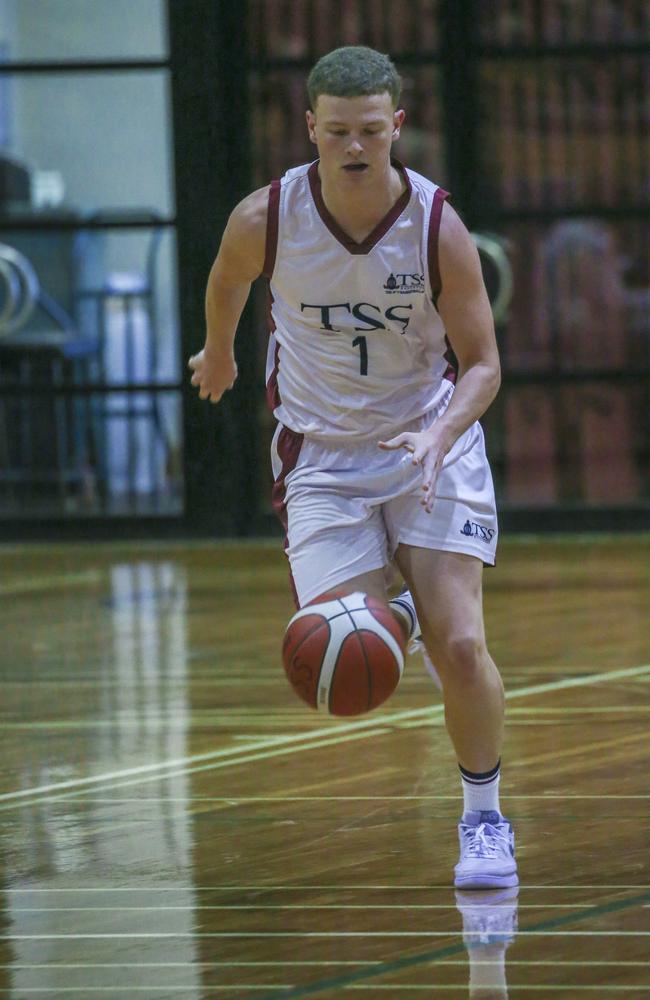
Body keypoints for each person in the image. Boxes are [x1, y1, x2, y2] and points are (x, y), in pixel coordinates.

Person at [189, 45, 517, 890]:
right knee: (338, 652)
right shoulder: (266, 217)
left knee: (463, 641)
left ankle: (484, 821)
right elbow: (227, 282)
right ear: (311, 129)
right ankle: (400, 607)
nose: (356, 146)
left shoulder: (436, 224)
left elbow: (483, 364)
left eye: (372, 129)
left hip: (425, 438)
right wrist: (219, 352)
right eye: (337, 131)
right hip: (322, 455)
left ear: (397, 126)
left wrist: (443, 434)